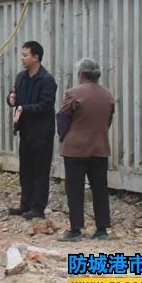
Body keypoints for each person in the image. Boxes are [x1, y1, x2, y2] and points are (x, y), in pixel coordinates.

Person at [56, 58, 115, 242]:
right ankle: (102, 229)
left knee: (75, 189)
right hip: (100, 148)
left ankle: (75, 230)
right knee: (100, 189)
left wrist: (64, 137)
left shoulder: (73, 93)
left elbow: (63, 118)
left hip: (75, 149)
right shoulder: (108, 95)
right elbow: (108, 121)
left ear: (81, 74)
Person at [5, 40, 57, 220]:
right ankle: (25, 205)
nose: (22, 58)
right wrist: (11, 98)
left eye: (25, 55)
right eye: (22, 54)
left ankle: (38, 207)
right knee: (25, 170)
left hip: (42, 133)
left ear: (36, 57)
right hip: (25, 131)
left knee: (40, 171)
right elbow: (14, 96)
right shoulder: (21, 77)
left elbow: (45, 105)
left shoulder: (47, 80)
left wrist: (24, 108)